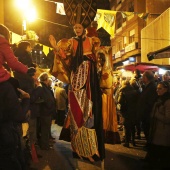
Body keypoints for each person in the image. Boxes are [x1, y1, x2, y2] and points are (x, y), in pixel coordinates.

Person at [49, 19, 105, 162]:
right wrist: (56, 47)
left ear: (84, 28)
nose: (77, 29)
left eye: (79, 27)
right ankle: (79, 148)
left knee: (89, 112)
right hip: (76, 77)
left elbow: (99, 56)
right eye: (75, 27)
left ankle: (91, 149)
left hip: (89, 77)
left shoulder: (93, 41)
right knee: (76, 113)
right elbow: (65, 58)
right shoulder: (70, 42)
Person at [142, 81, 170, 169]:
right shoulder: (159, 99)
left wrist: (156, 114)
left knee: (161, 154)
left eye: (160, 88)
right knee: (156, 151)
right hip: (156, 131)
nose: (157, 90)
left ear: (166, 89)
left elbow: (168, 119)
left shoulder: (168, 101)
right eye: (157, 88)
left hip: (163, 132)